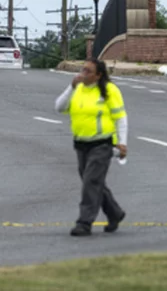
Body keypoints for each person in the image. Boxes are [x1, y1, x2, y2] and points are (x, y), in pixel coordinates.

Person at [54, 58, 128, 237]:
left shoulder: (109, 91)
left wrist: (122, 142)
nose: (83, 73)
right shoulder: (78, 89)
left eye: (88, 71)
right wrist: (71, 87)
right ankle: (114, 213)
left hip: (102, 143)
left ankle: (84, 222)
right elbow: (59, 107)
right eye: (83, 69)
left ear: (98, 75)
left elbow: (120, 118)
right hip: (81, 143)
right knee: (93, 183)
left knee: (91, 182)